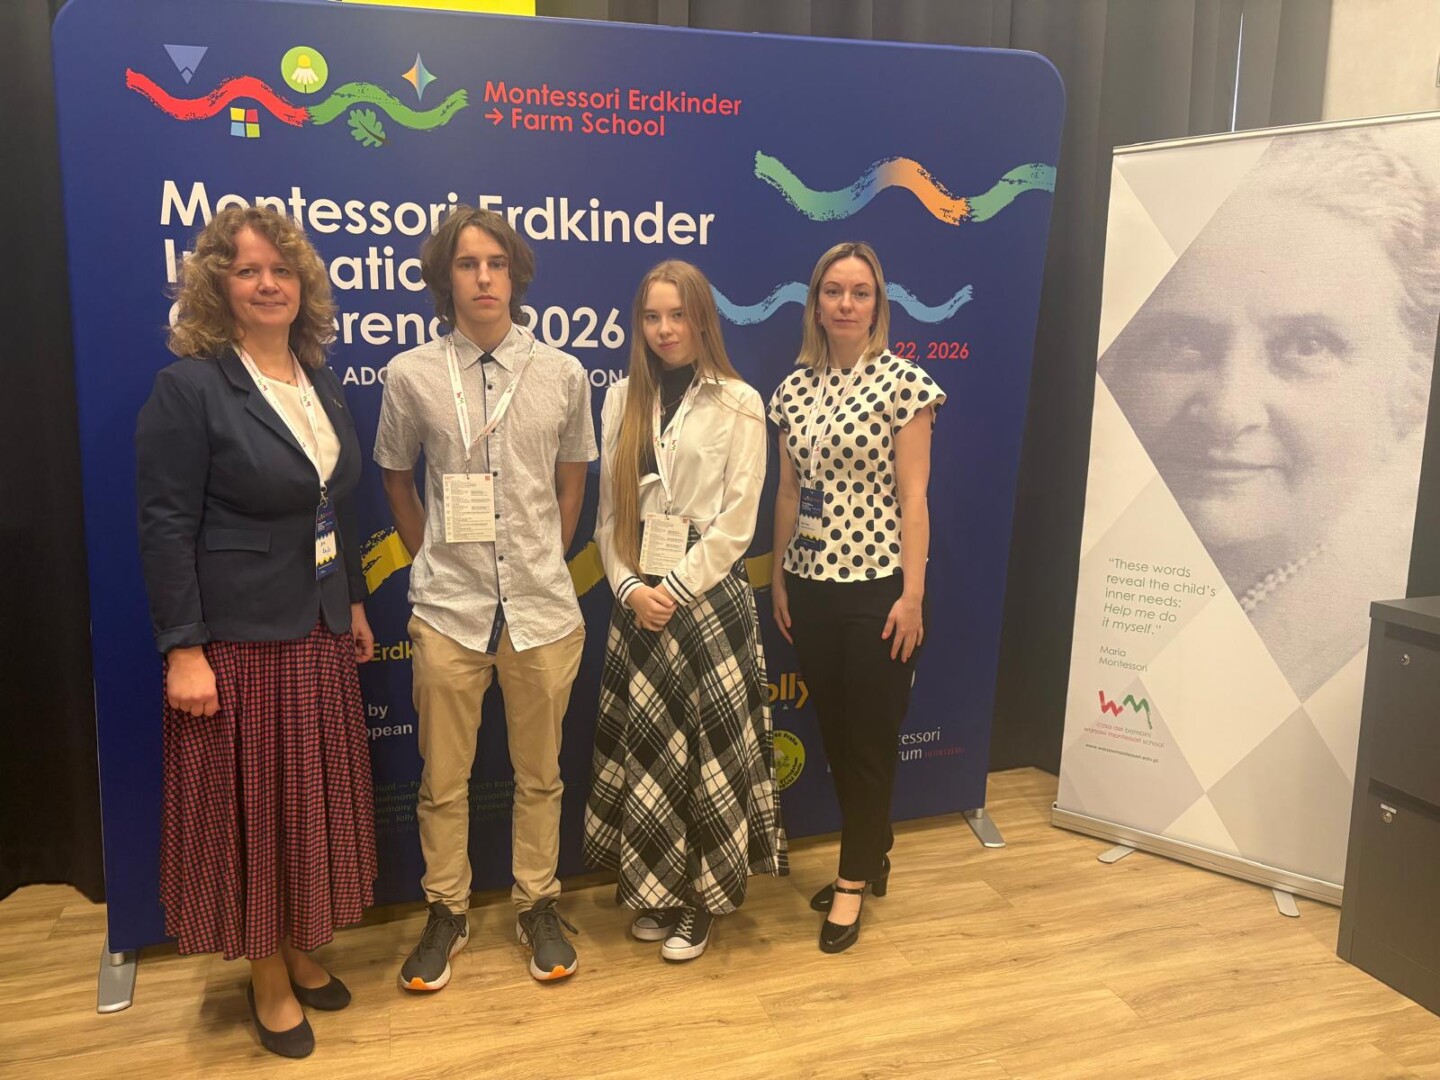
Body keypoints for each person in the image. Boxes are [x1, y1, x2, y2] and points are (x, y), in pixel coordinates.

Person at [136, 205, 377, 1059]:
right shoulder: (192, 388)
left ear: (302, 285)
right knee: (256, 816)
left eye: (281, 270)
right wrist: (184, 648)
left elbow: (332, 504)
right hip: (239, 642)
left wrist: (352, 602)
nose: (268, 284)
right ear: (218, 285)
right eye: (247, 270)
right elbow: (165, 524)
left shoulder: (319, 380)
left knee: (304, 806)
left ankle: (301, 948)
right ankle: (266, 976)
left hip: (316, 630)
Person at [1099, 128, 1440, 700]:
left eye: (1306, 346)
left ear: (1411, 388)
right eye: (1180, 342)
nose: (1227, 412)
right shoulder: (1085, 601)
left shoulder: (1373, 661)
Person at [374, 207, 595, 989]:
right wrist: (435, 555)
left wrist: (543, 559)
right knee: (443, 779)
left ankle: (538, 903)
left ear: (516, 275)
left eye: (496, 263)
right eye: (467, 264)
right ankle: (448, 910)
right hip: (449, 612)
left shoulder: (563, 374)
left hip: (542, 611)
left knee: (542, 774)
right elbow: (396, 479)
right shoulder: (410, 375)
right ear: (447, 278)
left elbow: (573, 482)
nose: (484, 278)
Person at [585, 260, 785, 962]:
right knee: (653, 756)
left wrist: (673, 586)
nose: (665, 329)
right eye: (652, 316)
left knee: (707, 759)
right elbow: (609, 517)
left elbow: (739, 523)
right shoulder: (620, 399)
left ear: (703, 319)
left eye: (678, 315)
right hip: (639, 599)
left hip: (706, 597)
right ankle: (659, 890)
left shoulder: (740, 401)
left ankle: (702, 902)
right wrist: (628, 589)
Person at [768, 241, 945, 954]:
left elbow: (914, 497)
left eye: (860, 292)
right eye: (834, 291)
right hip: (810, 585)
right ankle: (871, 851)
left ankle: (851, 881)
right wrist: (779, 576)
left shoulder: (906, 385)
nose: (846, 303)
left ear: (878, 305)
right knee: (839, 738)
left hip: (878, 587)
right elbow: (787, 493)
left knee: (869, 742)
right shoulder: (793, 390)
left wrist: (913, 594)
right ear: (816, 304)